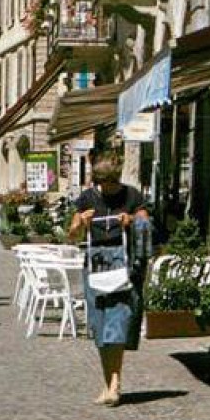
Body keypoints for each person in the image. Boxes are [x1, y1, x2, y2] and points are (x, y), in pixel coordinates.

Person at [68, 151, 151, 406]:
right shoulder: (87, 198)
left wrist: (134, 220)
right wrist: (81, 222)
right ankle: (108, 383)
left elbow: (145, 225)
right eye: (102, 184)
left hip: (122, 265)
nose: (107, 189)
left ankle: (114, 383)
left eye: (111, 183)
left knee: (117, 322)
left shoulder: (132, 196)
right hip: (96, 266)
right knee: (100, 325)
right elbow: (71, 235)